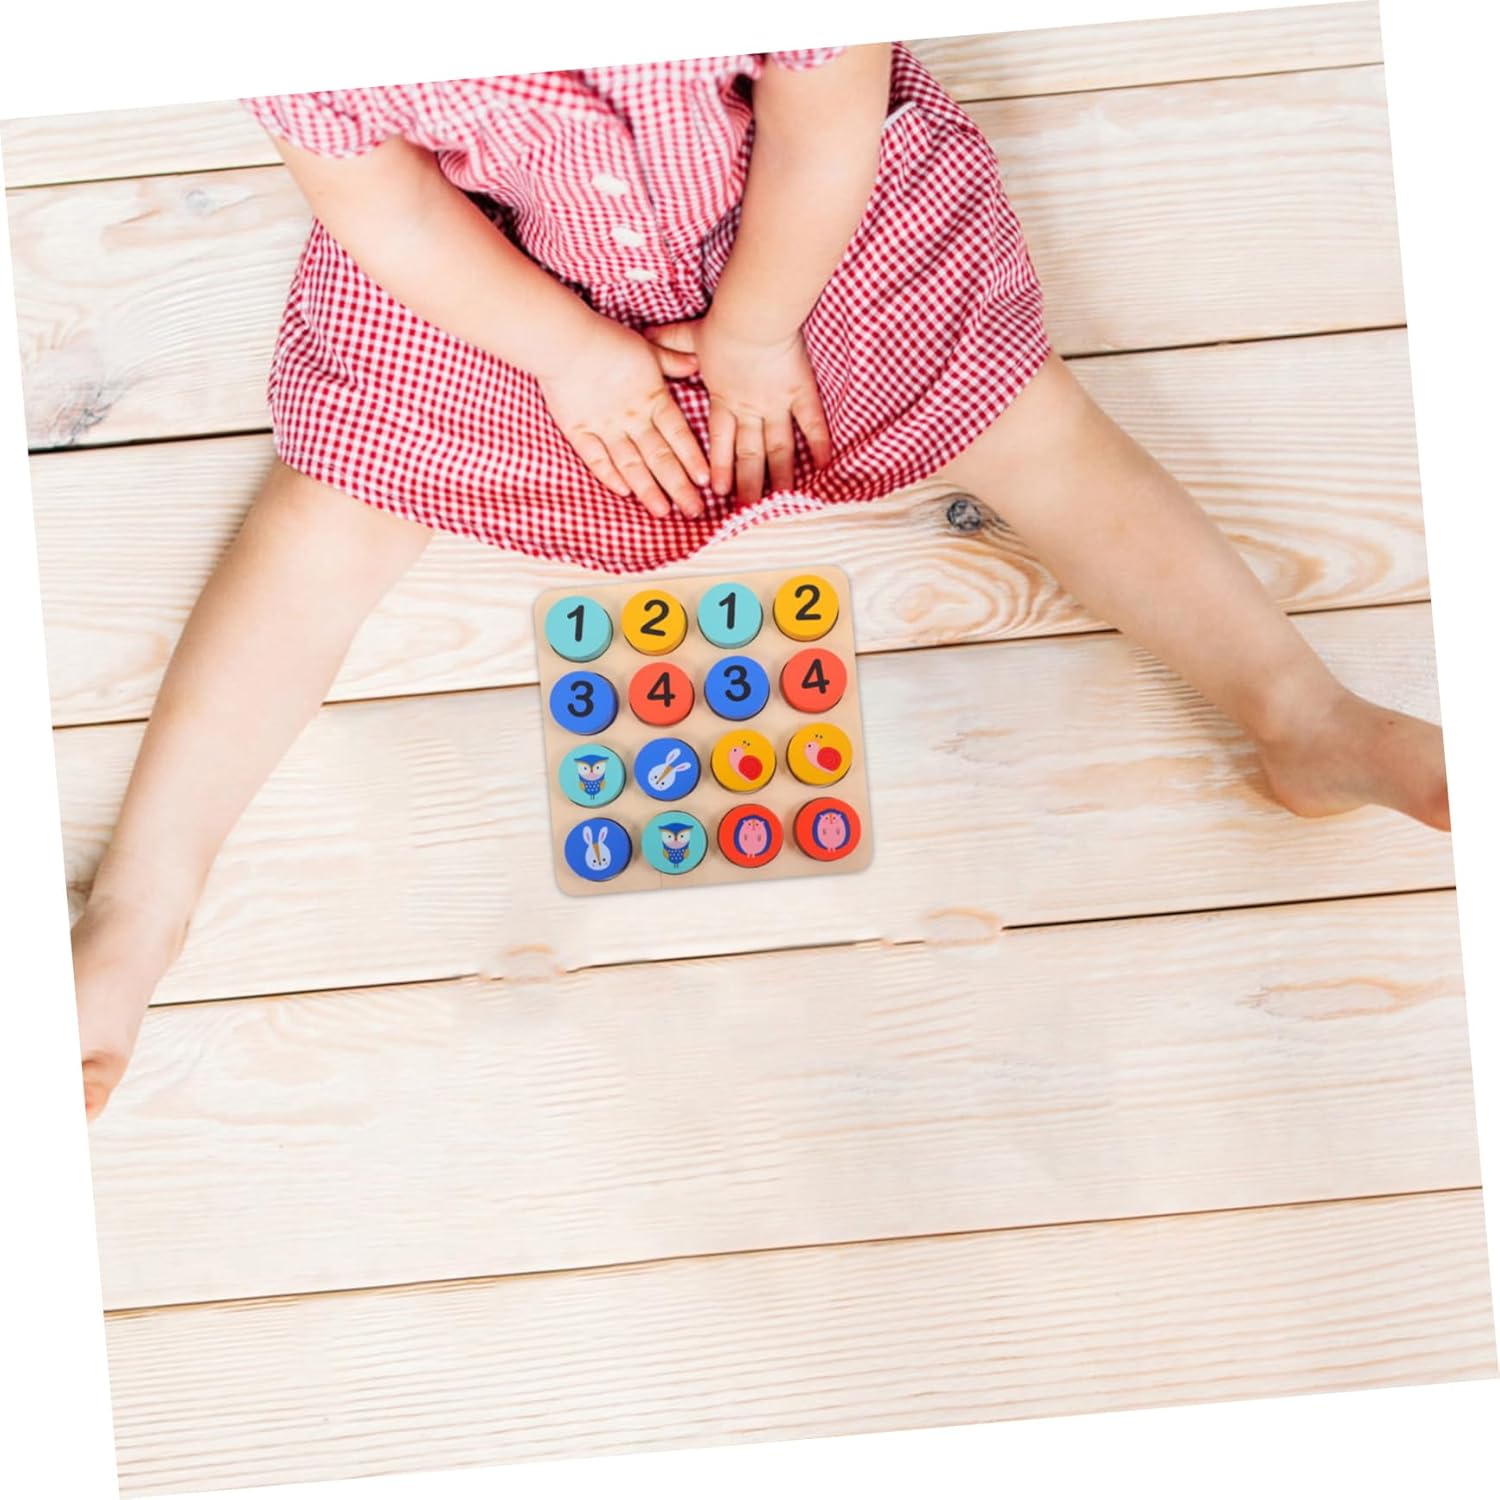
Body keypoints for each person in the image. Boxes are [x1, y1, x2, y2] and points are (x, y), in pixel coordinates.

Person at [69, 43, 1448, 1122]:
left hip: (797, 228)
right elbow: (385, 203)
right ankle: (143, 903)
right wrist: (571, 353)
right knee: (329, 509)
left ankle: (1301, 716)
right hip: (501, 266)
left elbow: (822, 129)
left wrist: (759, 324)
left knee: (1027, 423)